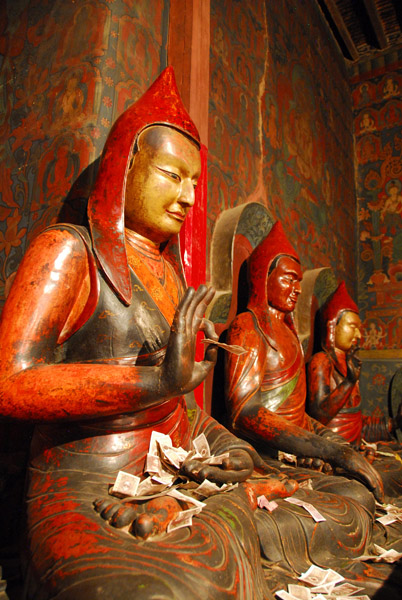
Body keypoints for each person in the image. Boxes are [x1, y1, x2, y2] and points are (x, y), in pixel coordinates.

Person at [0, 68, 286, 600]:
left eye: (194, 183)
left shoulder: (171, 273)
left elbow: (185, 402)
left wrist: (229, 447)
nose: (187, 197)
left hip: (175, 473)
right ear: (124, 167)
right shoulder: (69, 251)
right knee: (161, 591)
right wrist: (153, 384)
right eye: (172, 175)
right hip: (87, 480)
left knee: (334, 509)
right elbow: (11, 383)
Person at [307, 281, 402, 498]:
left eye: (360, 328)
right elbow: (318, 415)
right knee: (368, 485)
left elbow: (356, 424)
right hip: (333, 454)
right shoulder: (321, 362)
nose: (359, 335)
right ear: (333, 326)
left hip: (356, 450)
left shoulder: (351, 365)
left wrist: (393, 424)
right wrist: (349, 382)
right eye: (352, 326)